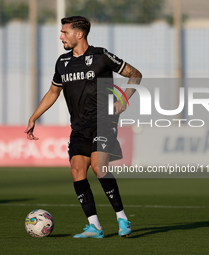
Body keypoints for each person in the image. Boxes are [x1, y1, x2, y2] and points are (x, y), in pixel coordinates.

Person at [25, 16, 142, 238]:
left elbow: (135, 75)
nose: (61, 36)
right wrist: (34, 117)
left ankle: (122, 219)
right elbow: (53, 92)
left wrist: (124, 100)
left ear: (80, 34)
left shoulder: (101, 56)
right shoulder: (62, 62)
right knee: (77, 171)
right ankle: (94, 226)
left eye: (64, 32)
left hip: (104, 121)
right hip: (78, 126)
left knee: (99, 167)